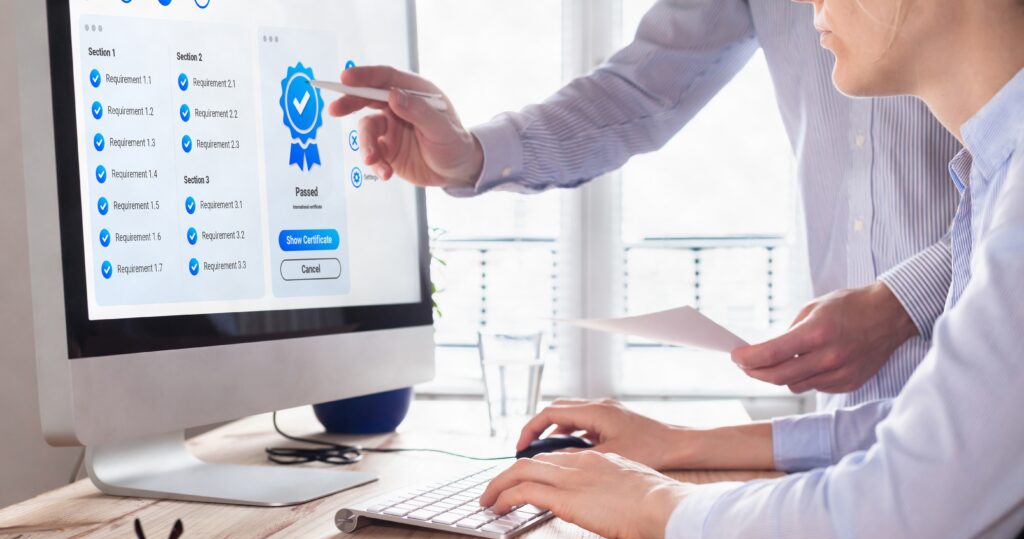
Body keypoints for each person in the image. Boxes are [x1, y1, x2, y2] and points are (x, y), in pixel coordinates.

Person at [477, 0, 1024, 539]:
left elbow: (885, 537)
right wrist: (686, 446)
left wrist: (655, 503)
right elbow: (947, 432)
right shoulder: (994, 175)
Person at [330, 0, 960, 411]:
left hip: (987, 381)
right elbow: (643, 90)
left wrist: (906, 300)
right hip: (849, 413)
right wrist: (469, 154)